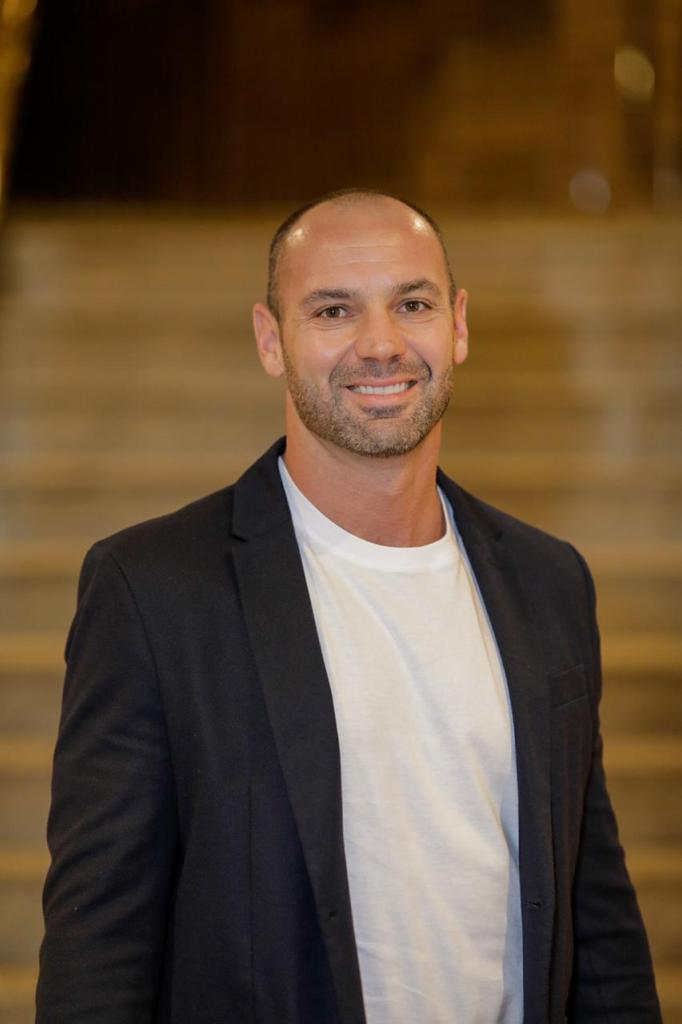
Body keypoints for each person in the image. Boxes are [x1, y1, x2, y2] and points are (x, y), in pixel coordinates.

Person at [37, 189, 661, 1024]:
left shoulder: (549, 584)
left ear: (458, 325)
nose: (381, 344)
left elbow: (599, 923)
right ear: (271, 340)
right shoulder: (153, 592)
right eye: (333, 310)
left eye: (413, 304)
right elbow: (98, 954)